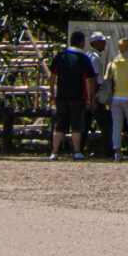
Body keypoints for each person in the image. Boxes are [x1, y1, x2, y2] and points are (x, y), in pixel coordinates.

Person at [45, 31, 99, 160]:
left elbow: (52, 76)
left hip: (61, 95)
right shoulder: (83, 58)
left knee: (59, 124)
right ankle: (77, 151)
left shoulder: (60, 56)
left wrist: (51, 92)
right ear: (81, 42)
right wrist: (90, 98)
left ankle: (55, 152)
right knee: (76, 125)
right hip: (77, 96)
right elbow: (89, 80)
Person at [101, 35, 128, 160]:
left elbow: (106, 79)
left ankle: (117, 151)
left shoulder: (112, 63)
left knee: (116, 126)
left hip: (115, 98)